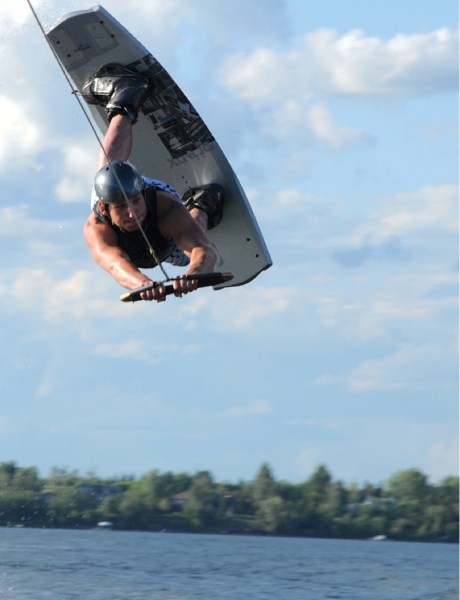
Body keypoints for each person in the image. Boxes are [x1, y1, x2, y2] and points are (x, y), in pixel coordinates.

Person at [81, 64, 224, 302]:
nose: (132, 212)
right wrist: (143, 284)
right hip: (161, 252)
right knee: (181, 257)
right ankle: (202, 202)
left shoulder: (163, 206)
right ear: (105, 209)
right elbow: (115, 264)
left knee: (108, 172)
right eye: (122, 208)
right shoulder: (97, 229)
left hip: (154, 207)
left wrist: (194, 275)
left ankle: (124, 98)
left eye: (135, 203)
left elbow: (203, 250)